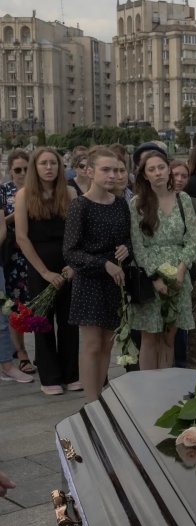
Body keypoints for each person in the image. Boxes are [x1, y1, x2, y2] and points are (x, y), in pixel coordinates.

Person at [63, 148, 131, 402]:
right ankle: (91, 403)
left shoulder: (120, 203)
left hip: (115, 282)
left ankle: (100, 397)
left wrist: (127, 249)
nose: (112, 175)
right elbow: (70, 252)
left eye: (115, 170)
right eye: (106, 170)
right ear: (90, 172)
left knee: (107, 344)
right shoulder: (80, 205)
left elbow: (128, 239)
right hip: (90, 281)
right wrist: (104, 264)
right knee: (92, 345)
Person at [15, 148, 80, 395]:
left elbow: (78, 232)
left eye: (53, 163)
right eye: (44, 163)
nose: (49, 167)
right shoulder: (24, 195)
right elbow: (22, 237)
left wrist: (73, 265)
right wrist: (44, 272)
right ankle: (50, 376)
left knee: (69, 322)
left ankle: (71, 373)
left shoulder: (70, 192)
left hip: (68, 264)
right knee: (42, 323)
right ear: (35, 167)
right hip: (39, 265)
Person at [129, 150, 196, 370]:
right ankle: (148, 383)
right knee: (150, 337)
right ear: (145, 175)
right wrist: (154, 278)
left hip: (179, 274)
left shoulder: (183, 199)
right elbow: (137, 245)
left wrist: (180, 271)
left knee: (170, 337)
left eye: (161, 167)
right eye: (152, 169)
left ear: (169, 169)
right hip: (150, 275)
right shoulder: (137, 203)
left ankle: (166, 383)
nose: (158, 172)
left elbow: (192, 239)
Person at [1, 150, 36, 375]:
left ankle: (43, 353)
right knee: (16, 305)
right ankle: (21, 352)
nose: (22, 173)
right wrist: (18, 213)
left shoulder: (38, 189)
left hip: (36, 252)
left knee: (36, 304)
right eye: (18, 170)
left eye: (26, 169)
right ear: (10, 171)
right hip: (13, 256)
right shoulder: (4, 191)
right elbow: (1, 222)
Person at [170, 160, 196, 370]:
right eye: (175, 174)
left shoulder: (194, 202)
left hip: (193, 267)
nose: (179, 179)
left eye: (184, 176)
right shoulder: (158, 201)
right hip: (166, 267)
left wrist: (186, 262)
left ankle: (195, 370)